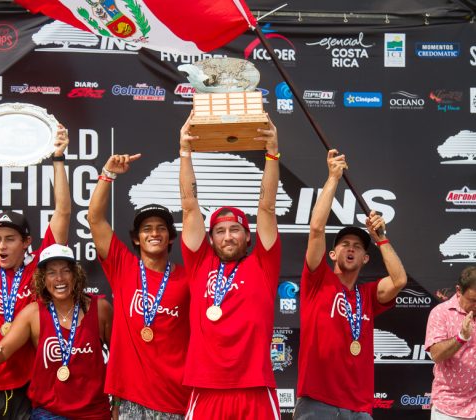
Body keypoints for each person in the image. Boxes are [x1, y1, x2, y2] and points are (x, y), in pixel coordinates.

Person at [0, 121, 71, 419]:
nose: (1, 246)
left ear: (26, 243)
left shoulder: (40, 267)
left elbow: (62, 212)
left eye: (9, 239)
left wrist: (58, 158)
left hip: (28, 385)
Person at [178, 112, 282, 419]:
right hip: (206, 387)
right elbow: (189, 206)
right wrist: (185, 152)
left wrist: (272, 153)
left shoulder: (263, 264)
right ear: (210, 239)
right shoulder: (200, 264)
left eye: (235, 229)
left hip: (255, 387)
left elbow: (267, 206)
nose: (227, 236)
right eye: (219, 231)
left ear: (248, 237)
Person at [294, 149, 407, 419]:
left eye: (357, 246)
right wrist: (333, 177)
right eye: (344, 244)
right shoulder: (317, 280)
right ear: (332, 254)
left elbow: (399, 280)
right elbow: (317, 229)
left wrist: (380, 237)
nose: (351, 249)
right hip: (316, 401)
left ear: (366, 258)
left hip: (358, 407)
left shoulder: (367, 294)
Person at [88, 154, 191, 418]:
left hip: (176, 399)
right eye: (146, 229)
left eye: (160, 229)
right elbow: (95, 219)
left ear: (170, 238)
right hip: (130, 399)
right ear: (136, 239)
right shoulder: (123, 267)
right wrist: (107, 175)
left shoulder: (188, 278)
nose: (154, 233)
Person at [0, 244, 113, 419]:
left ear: (76, 275)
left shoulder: (100, 309)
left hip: (94, 413)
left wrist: (117, 403)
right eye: (51, 273)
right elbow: (1, 354)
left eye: (66, 271)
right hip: (48, 413)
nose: (59, 278)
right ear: (42, 279)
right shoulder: (32, 314)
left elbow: (120, 361)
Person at [425, 266, 475, 420]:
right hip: (449, 409)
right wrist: (461, 337)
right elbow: (436, 355)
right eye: (473, 300)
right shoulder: (440, 313)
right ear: (459, 291)